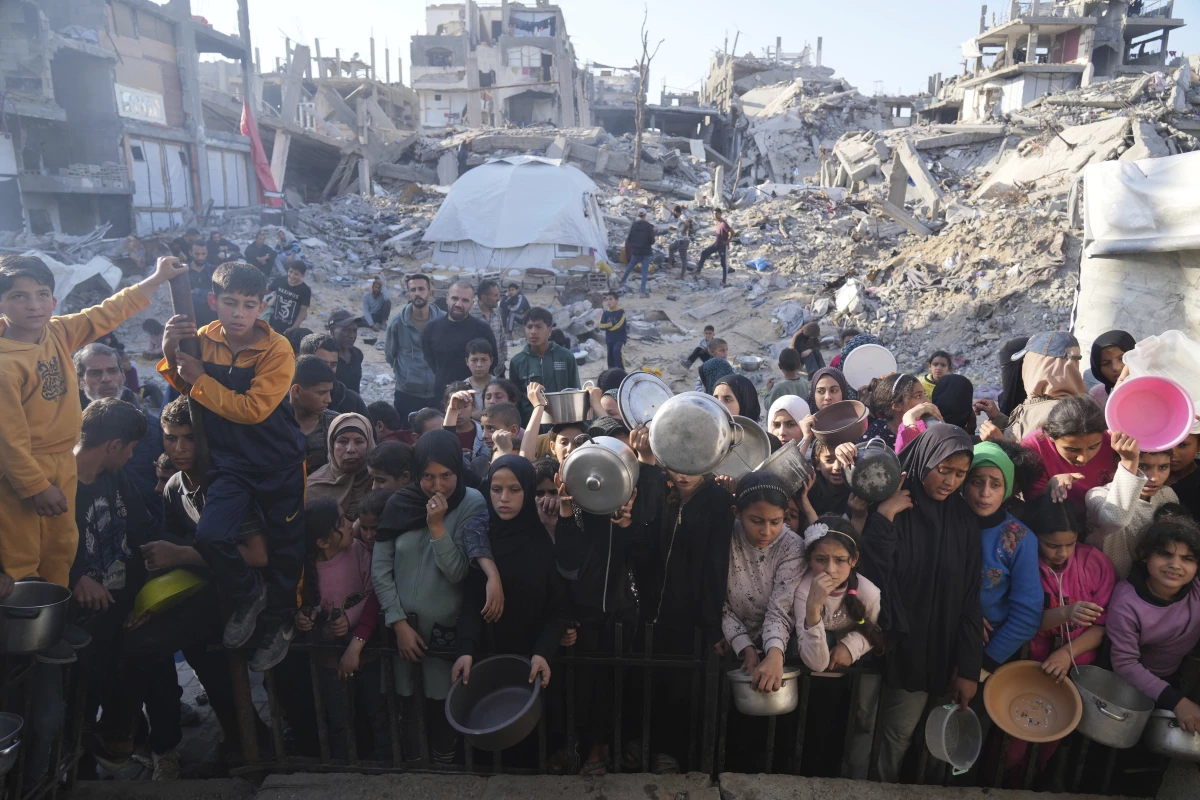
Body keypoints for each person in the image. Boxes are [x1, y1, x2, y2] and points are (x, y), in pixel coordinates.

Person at [159, 261, 306, 672]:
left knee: (285, 549)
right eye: (229, 303)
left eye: (248, 304)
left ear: (263, 306)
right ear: (213, 302)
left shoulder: (277, 349)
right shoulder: (202, 339)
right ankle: (247, 595)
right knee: (210, 535)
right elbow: (183, 384)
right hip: (230, 462)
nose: (238, 313)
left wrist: (202, 378)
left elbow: (255, 409)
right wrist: (171, 349)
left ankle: (280, 622)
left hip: (278, 463)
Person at [0, 253, 179, 591]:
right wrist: (35, 486)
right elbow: (7, 440)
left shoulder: (57, 333)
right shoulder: (5, 364)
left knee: (62, 544)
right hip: (22, 469)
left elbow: (105, 313)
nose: (33, 305)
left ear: (53, 301)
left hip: (62, 459)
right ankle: (25, 623)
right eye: (19, 296)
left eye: (41, 295)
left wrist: (155, 280)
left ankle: (55, 618)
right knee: (21, 550)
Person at [855, 425, 982, 783]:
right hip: (874, 640)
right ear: (925, 459)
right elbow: (868, 576)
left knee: (898, 733)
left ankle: (880, 789)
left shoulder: (963, 522)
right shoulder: (892, 502)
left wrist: (969, 668)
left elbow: (970, 596)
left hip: (926, 647)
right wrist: (883, 518)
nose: (950, 482)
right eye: (944, 470)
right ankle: (847, 787)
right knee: (861, 722)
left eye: (960, 474)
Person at [372, 430, 491, 764]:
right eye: (428, 476)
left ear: (458, 470)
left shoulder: (471, 503)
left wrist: (437, 526)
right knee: (406, 703)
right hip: (402, 631)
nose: (437, 486)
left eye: (446, 476)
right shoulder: (400, 503)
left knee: (444, 705)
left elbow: (458, 573)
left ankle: (444, 766)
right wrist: (397, 622)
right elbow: (380, 568)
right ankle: (412, 766)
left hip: (445, 631)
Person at [451, 457, 569, 760]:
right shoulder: (482, 540)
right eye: (496, 489)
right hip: (490, 662)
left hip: (533, 663)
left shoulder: (543, 540)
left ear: (528, 491)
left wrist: (543, 652)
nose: (504, 499)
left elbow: (558, 607)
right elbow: (471, 601)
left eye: (514, 490)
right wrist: (465, 649)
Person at [68, 399, 158, 773]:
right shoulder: (56, 485)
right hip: (77, 623)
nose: (131, 456)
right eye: (132, 449)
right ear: (114, 446)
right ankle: (75, 766)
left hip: (121, 609)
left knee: (122, 677)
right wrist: (74, 579)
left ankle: (117, 743)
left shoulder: (116, 478)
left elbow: (140, 529)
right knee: (77, 700)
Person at [628, 458, 733, 774]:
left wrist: (712, 623)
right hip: (647, 609)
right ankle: (636, 743)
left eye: (693, 464)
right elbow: (642, 552)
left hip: (690, 616)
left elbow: (717, 565)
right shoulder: (657, 489)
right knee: (642, 681)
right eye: (678, 464)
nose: (684, 472)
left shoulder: (717, 501)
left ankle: (669, 751)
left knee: (680, 688)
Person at [1006, 494, 1115, 784]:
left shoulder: (1095, 563)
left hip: (1074, 672)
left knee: (1051, 742)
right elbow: (1019, 621)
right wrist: (1066, 613)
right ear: (1034, 535)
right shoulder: (1022, 560)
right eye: (1052, 545)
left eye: (1070, 543)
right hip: (1026, 667)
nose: (1062, 553)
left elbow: (1102, 626)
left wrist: (1067, 653)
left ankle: (1035, 783)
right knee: (1012, 746)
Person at [294, 498, 387, 760]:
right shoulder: (306, 568)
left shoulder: (357, 550)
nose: (350, 525)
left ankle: (386, 765)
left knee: (378, 714)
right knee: (338, 719)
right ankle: (344, 769)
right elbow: (302, 605)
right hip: (328, 660)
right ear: (322, 542)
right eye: (341, 523)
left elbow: (374, 591)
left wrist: (350, 616)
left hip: (369, 653)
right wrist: (303, 618)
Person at [793, 517, 885, 779]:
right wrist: (813, 608)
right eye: (820, 559)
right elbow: (816, 662)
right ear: (810, 559)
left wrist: (850, 646)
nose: (830, 569)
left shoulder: (868, 592)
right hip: (810, 676)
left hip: (847, 678)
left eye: (840, 559)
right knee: (806, 731)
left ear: (854, 560)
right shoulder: (804, 590)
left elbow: (873, 630)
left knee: (840, 730)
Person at [1107, 514, 1200, 734]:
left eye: (1187, 559)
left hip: (1183, 671)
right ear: (1144, 555)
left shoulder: (1195, 586)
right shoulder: (1127, 603)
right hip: (1137, 683)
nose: (1175, 565)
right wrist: (1177, 702)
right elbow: (1125, 664)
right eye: (1164, 554)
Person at [723, 472, 805, 694]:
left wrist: (774, 655)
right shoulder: (724, 537)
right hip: (726, 640)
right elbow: (717, 599)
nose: (766, 531)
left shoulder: (792, 547)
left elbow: (781, 607)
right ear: (737, 513)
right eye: (756, 521)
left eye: (775, 522)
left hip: (781, 643)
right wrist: (744, 646)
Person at [964, 443, 1042, 672]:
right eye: (977, 481)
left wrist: (981, 668)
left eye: (996, 484)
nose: (985, 492)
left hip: (990, 649)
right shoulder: (946, 524)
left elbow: (1026, 616)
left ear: (1006, 489)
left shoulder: (1019, 539)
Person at [74, 342, 164, 519]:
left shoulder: (152, 427)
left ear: (123, 376)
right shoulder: (67, 429)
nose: (106, 379)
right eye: (95, 373)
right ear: (79, 381)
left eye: (113, 371)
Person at [1086, 432, 1178, 578]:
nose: (1154, 477)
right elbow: (1115, 519)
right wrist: (1129, 461)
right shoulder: (1097, 495)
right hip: (1107, 585)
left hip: (1154, 585)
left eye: (1163, 467)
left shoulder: (1167, 495)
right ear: (1120, 462)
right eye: (1143, 466)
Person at [981, 331, 1088, 441]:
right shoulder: (1067, 404)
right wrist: (997, 417)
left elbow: (1033, 455)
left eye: (1028, 360)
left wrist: (1000, 442)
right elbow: (1020, 433)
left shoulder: (1060, 413)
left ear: (1039, 365)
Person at [1022, 395, 1117, 509]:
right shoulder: (1035, 446)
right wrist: (1049, 487)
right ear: (1051, 437)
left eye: (1093, 447)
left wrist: (1128, 460)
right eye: (1071, 449)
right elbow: (1033, 504)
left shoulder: (1113, 441)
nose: (1083, 458)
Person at [422, 281, 496, 404]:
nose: (458, 304)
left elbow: (493, 361)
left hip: (475, 399)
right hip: (443, 397)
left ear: (472, 304)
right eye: (455, 298)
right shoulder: (431, 328)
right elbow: (430, 360)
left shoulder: (483, 329)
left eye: (465, 300)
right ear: (447, 299)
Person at [387, 274, 444, 427]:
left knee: (436, 437)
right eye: (413, 290)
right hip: (407, 393)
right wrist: (406, 376)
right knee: (406, 436)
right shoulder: (397, 322)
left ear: (430, 293)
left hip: (437, 393)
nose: (418, 293)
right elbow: (390, 355)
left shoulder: (443, 321)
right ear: (408, 294)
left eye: (421, 289)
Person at [509, 307, 580, 421]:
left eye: (539, 327)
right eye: (529, 327)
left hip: (562, 424)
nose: (533, 332)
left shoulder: (566, 357)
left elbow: (576, 392)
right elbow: (515, 400)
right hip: (531, 426)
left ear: (549, 330)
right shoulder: (517, 362)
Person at [308, 412, 376, 520]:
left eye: (359, 442)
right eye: (342, 441)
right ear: (331, 445)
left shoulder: (379, 482)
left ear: (369, 446)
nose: (351, 449)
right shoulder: (312, 488)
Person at [298, 333, 368, 418]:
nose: (328, 370)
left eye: (333, 365)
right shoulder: (285, 397)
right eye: (322, 364)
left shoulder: (352, 401)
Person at [290, 355, 339, 473]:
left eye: (329, 392)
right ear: (296, 391)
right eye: (321, 392)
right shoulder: (273, 423)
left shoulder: (336, 424)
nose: (328, 399)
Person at [864, 373, 935, 452]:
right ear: (897, 405)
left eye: (924, 394)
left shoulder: (927, 425)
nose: (927, 401)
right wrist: (910, 419)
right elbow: (915, 460)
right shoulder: (876, 437)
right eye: (918, 396)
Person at [1087, 330, 1135, 408]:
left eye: (1122, 358)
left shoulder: (1150, 387)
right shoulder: (1097, 395)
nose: (1115, 368)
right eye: (1106, 363)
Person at [470, 279, 507, 376]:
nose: (499, 298)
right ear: (484, 298)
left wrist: (504, 356)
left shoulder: (497, 312)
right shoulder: (470, 315)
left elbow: (502, 337)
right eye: (495, 295)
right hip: (479, 372)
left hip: (499, 370)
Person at [267, 261, 311, 335]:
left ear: (303, 275)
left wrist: (294, 327)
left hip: (289, 328)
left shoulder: (305, 290)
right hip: (273, 324)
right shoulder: (280, 280)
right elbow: (266, 291)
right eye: (290, 271)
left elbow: (303, 311)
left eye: (296, 274)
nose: (292, 276)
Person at [327, 310, 365, 396]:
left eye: (354, 331)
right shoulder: (326, 356)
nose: (352, 335)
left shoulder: (357, 354)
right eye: (346, 330)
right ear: (332, 331)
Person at [621, 209, 657, 297]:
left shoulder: (634, 225)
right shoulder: (648, 226)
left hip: (636, 252)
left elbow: (629, 238)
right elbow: (652, 241)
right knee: (644, 272)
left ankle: (622, 281)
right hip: (646, 252)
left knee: (630, 267)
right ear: (645, 215)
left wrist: (635, 246)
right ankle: (642, 292)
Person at [696, 209, 735, 286]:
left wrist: (728, 241)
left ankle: (724, 281)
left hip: (722, 246)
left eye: (716, 214)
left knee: (723, 264)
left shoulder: (724, 224)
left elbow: (732, 232)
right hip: (716, 244)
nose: (715, 215)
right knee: (704, 253)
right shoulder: (718, 223)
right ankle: (698, 271)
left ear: (720, 214)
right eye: (714, 214)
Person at [184, 241, 218, 327]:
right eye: (197, 254)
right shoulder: (183, 272)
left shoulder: (214, 271)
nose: (200, 257)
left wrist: (197, 292)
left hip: (212, 316)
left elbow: (219, 292)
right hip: (192, 317)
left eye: (203, 254)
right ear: (190, 253)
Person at [1167, 431, 1200, 519]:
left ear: (1198, 446)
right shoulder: (1143, 476)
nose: (1173, 453)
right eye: (1166, 442)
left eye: (1182, 445)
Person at [599, 291, 627, 369]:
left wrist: (607, 326)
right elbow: (601, 326)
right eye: (606, 300)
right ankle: (611, 373)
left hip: (620, 339)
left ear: (617, 300)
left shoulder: (621, 312)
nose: (608, 301)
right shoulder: (606, 313)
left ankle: (621, 372)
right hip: (609, 339)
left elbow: (618, 325)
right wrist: (611, 324)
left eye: (610, 299)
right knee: (610, 357)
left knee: (617, 352)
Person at [464, 338, 495, 409]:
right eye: (474, 360)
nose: (479, 365)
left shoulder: (499, 386)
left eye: (484, 360)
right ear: (467, 361)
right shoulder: (463, 388)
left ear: (491, 361)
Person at [667, 204, 692, 276]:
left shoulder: (682, 216)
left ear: (676, 212)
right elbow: (680, 228)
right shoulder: (680, 218)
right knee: (671, 248)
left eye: (673, 212)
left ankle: (682, 275)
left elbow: (687, 223)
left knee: (683, 258)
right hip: (679, 240)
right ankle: (669, 264)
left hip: (683, 241)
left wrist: (684, 231)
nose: (673, 213)